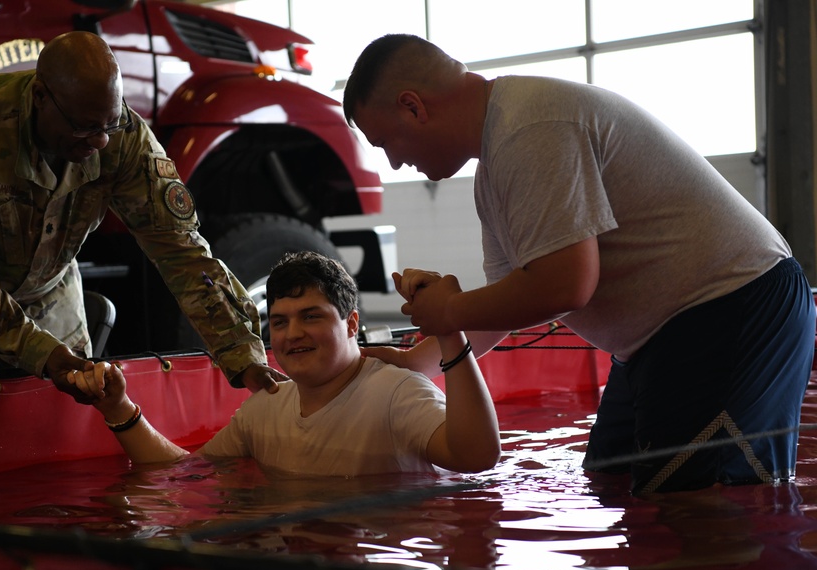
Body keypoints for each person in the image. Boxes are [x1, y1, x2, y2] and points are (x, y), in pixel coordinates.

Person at [341, 34, 816, 494]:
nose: (395, 163)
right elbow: (507, 302)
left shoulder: (529, 128)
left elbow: (565, 286)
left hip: (733, 311)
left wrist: (449, 312)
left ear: (413, 106)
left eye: (385, 142)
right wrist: (414, 363)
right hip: (659, 340)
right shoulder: (496, 165)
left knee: (699, 515)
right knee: (609, 483)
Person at [0, 31, 283, 402]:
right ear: (40, 97)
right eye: (85, 128)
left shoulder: (120, 134)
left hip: (51, 313)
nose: (101, 140)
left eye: (110, 124)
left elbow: (182, 251)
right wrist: (41, 353)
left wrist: (241, 352)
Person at [70, 251, 501, 476]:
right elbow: (183, 472)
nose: (293, 334)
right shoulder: (266, 408)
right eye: (280, 322)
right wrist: (119, 411)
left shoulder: (396, 393)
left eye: (311, 317)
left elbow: (476, 456)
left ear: (352, 323)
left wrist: (449, 330)